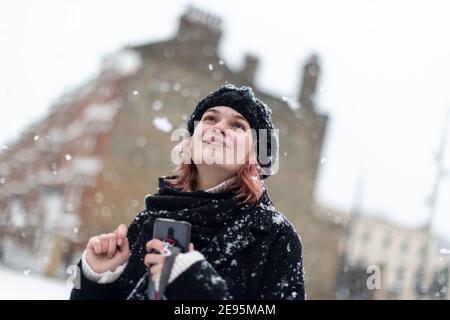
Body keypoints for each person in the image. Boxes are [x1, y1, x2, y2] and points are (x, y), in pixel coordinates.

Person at [70, 84, 305, 300]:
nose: (220, 127)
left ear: (255, 155)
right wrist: (96, 282)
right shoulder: (149, 219)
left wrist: (199, 292)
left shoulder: (276, 236)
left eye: (237, 125)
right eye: (210, 118)